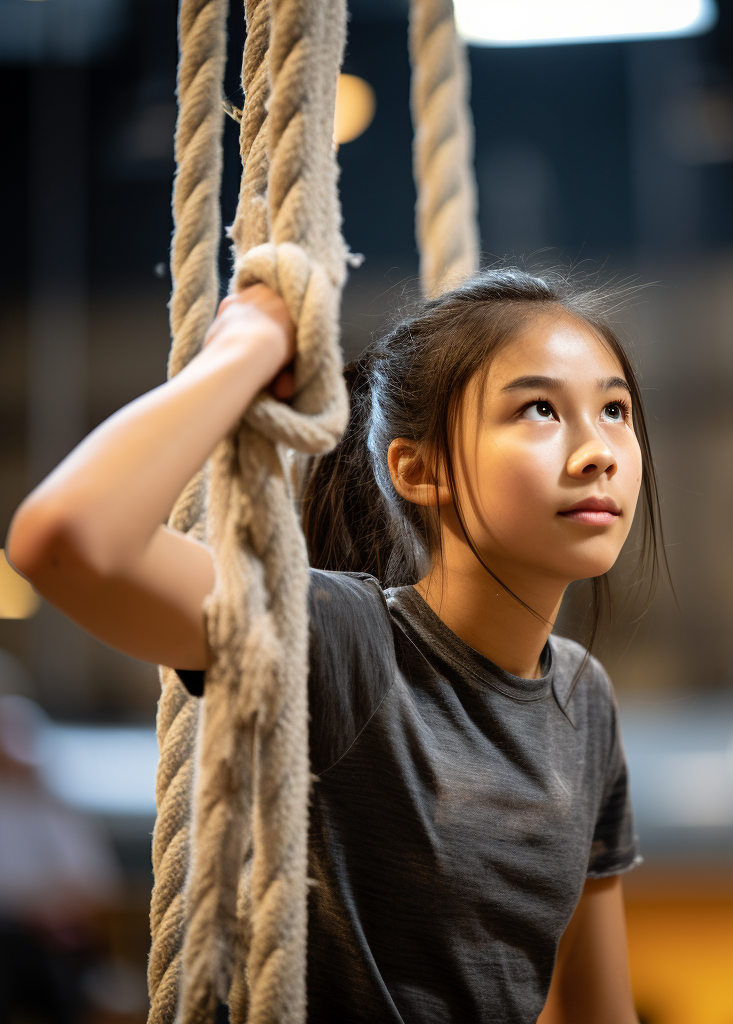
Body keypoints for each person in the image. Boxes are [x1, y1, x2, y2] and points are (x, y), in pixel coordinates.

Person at [6, 268, 664, 1024]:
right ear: (419, 471)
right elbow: (64, 540)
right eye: (540, 409)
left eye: (614, 409)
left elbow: (595, 1012)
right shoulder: (345, 643)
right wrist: (244, 351)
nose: (598, 452)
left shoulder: (583, 699)